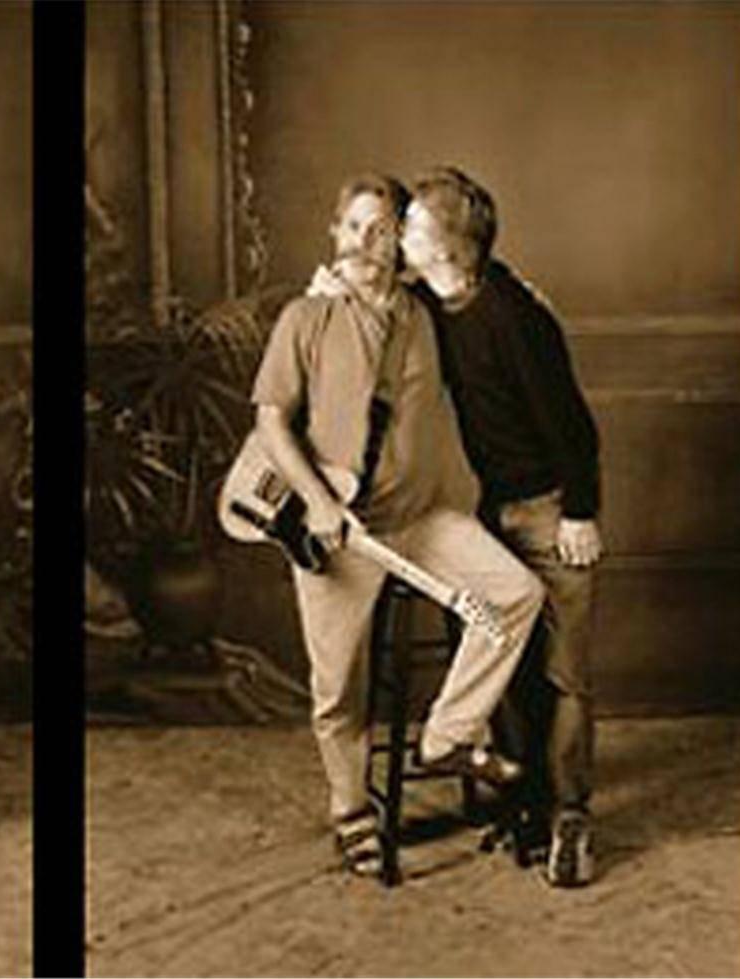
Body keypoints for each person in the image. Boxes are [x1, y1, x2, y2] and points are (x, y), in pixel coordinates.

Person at [249, 173, 545, 879]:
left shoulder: (423, 313)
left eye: (380, 228)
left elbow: (473, 280)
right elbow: (268, 420)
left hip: (418, 518)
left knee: (514, 593)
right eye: (351, 227)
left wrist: (530, 306)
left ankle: (444, 737)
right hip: (339, 531)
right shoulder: (306, 316)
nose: (363, 241)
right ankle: (350, 810)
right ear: (333, 233)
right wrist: (317, 502)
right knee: (336, 686)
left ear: (399, 240)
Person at [402, 166, 602, 887]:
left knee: (564, 674)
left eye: (412, 226)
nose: (401, 235)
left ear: (450, 246)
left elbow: (573, 426)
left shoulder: (517, 319)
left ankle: (570, 817)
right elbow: (381, 293)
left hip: (552, 510)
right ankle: (524, 799)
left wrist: (580, 511)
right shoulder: (433, 296)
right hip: (496, 508)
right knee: (493, 647)